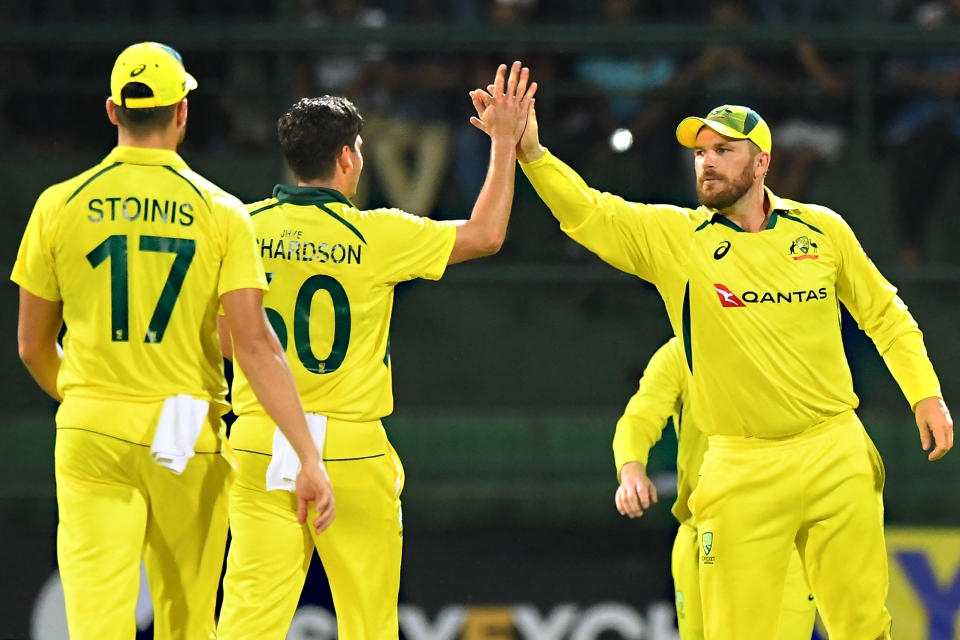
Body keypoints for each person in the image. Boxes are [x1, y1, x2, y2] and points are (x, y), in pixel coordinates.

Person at [469, 90, 954, 638]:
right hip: (741, 466)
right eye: (701, 153)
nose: (707, 163)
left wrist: (926, 394)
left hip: (835, 448)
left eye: (724, 150)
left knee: (865, 625)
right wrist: (531, 153)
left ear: (762, 162)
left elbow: (885, 314)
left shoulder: (823, 230)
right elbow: (589, 211)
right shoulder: (678, 238)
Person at [11, 41, 334, 640]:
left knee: (95, 626)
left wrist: (94, 406)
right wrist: (308, 458)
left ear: (113, 111)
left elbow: (32, 345)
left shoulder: (58, 206)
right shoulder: (221, 212)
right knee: (186, 622)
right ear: (183, 111)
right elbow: (255, 344)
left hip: (91, 433)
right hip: (186, 437)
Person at [216, 61, 536, 639]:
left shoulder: (241, 226)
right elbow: (486, 233)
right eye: (359, 148)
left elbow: (218, 335)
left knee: (246, 624)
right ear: (346, 158)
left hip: (264, 442)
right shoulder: (379, 234)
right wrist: (504, 144)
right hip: (350, 450)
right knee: (369, 626)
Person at [613, 338, 815, 639]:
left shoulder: (783, 344)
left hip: (781, 535)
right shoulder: (681, 352)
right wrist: (631, 470)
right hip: (699, 533)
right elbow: (639, 417)